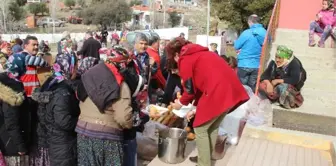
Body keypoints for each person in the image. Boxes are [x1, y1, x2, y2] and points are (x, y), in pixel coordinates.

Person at [166, 37, 249, 166]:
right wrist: (194, 108)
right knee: (212, 126)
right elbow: (199, 87)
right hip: (229, 91)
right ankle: (205, 158)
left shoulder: (185, 59)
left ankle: (203, 163)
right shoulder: (201, 53)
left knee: (200, 128)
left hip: (217, 92)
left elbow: (189, 90)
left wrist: (180, 104)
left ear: (176, 54)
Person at [30, 40, 79, 166]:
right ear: (69, 67)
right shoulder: (62, 91)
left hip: (53, 139)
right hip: (62, 142)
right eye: (75, 66)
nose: (77, 70)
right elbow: (63, 121)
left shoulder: (51, 83)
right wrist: (80, 120)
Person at [75, 61, 133, 166]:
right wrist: (130, 125)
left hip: (83, 133)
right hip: (108, 138)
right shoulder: (120, 84)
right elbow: (122, 117)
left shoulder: (87, 79)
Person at [0, 72, 29, 166]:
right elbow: (11, 124)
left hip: (8, 142)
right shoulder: (11, 100)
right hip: (12, 145)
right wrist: (21, 146)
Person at [234, 14, 266, 92]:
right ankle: (252, 102)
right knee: (252, 88)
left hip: (244, 64)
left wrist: (235, 41)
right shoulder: (265, 32)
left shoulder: (247, 33)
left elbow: (237, 46)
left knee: (242, 88)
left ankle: (243, 103)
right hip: (256, 65)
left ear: (250, 22)